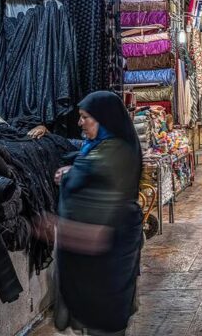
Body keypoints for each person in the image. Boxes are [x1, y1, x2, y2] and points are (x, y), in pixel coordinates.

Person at [52, 91, 143, 336]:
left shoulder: (115, 152)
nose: (80, 123)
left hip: (111, 251)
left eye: (85, 117)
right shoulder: (102, 147)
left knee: (106, 316)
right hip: (105, 251)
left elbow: (99, 184)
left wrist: (71, 175)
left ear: (104, 119)